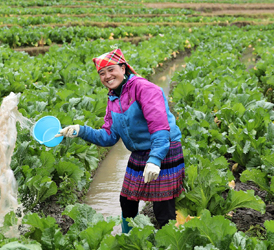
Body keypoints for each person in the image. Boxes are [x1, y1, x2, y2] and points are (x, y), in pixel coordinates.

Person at [59, 49, 185, 232]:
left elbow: (159, 128)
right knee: (127, 200)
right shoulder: (113, 97)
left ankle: (169, 244)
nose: (107, 76)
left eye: (111, 70)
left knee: (162, 205)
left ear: (123, 68)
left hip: (164, 147)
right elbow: (108, 136)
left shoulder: (144, 89)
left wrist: (155, 159)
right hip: (140, 151)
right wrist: (80, 130)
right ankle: (129, 241)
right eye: (102, 73)